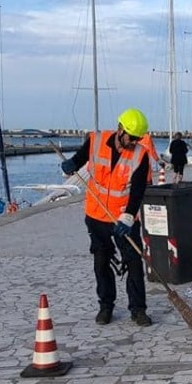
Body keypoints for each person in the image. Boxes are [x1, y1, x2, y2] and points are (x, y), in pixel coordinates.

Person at [60, 108, 153, 326]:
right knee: (101, 261)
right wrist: (70, 166)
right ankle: (106, 306)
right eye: (131, 137)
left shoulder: (140, 154)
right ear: (120, 129)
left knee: (134, 262)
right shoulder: (96, 140)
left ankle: (138, 309)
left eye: (138, 138)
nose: (134, 142)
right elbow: (78, 161)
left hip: (123, 218)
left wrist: (129, 217)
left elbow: (138, 190)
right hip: (96, 214)